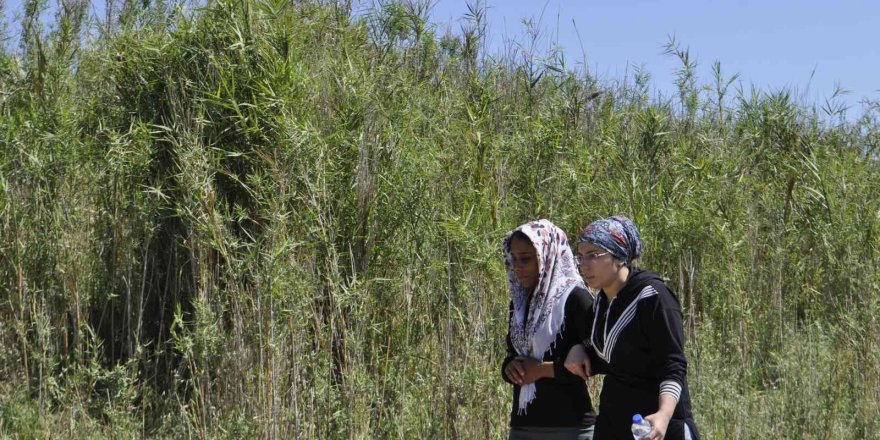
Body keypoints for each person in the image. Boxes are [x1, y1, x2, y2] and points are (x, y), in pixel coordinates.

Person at [564, 216, 700, 440]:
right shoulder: (601, 299)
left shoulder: (653, 298)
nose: (583, 265)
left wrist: (663, 415)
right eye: (580, 256)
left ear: (619, 257)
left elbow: (673, 365)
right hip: (615, 422)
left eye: (593, 256)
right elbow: (614, 354)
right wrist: (581, 348)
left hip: (654, 427)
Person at [500, 219, 597, 440]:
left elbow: (597, 362)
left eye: (525, 259)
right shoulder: (520, 303)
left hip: (570, 427)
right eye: (513, 259)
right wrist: (510, 367)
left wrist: (543, 369)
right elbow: (513, 354)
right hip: (523, 427)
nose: (517, 266)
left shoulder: (576, 299)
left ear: (547, 256)